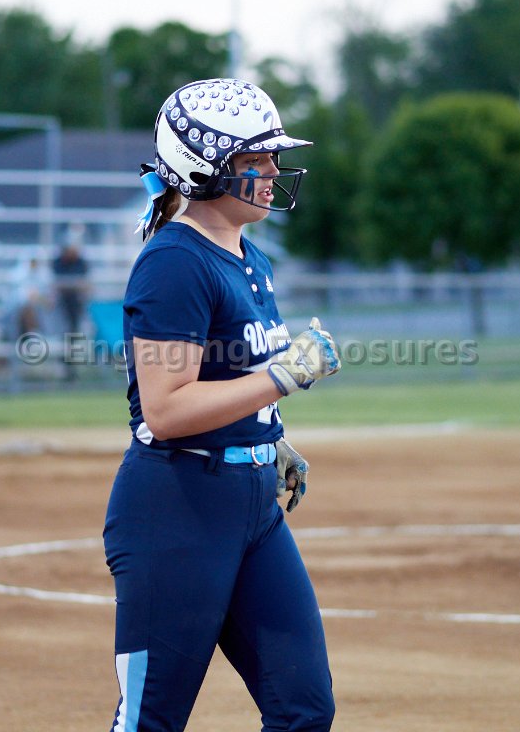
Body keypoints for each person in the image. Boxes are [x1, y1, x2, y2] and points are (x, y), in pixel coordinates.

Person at [103, 78, 341, 731]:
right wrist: (284, 378)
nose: (273, 172)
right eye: (255, 159)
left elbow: (230, 374)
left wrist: (267, 434)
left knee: (304, 711)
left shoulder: (250, 255)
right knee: (151, 721)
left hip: (251, 506)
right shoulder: (174, 261)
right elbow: (166, 410)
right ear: (203, 168)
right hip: (177, 509)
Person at [52, 234, 90, 336]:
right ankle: (67, 332)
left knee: (76, 302)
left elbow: (84, 283)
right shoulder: (57, 262)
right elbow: (56, 283)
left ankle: (74, 331)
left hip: (76, 296)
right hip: (62, 296)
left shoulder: (80, 262)